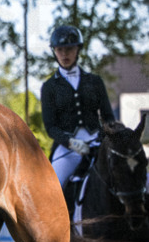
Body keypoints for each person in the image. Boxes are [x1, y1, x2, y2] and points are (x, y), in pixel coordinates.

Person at [41, 24, 114, 191]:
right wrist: (71, 143)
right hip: (68, 149)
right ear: (54, 52)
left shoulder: (95, 82)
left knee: (129, 173)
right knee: (53, 189)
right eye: (60, 49)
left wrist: (102, 137)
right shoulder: (50, 87)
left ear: (77, 50)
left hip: (98, 145)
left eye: (69, 49)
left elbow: (108, 116)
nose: (64, 54)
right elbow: (51, 127)